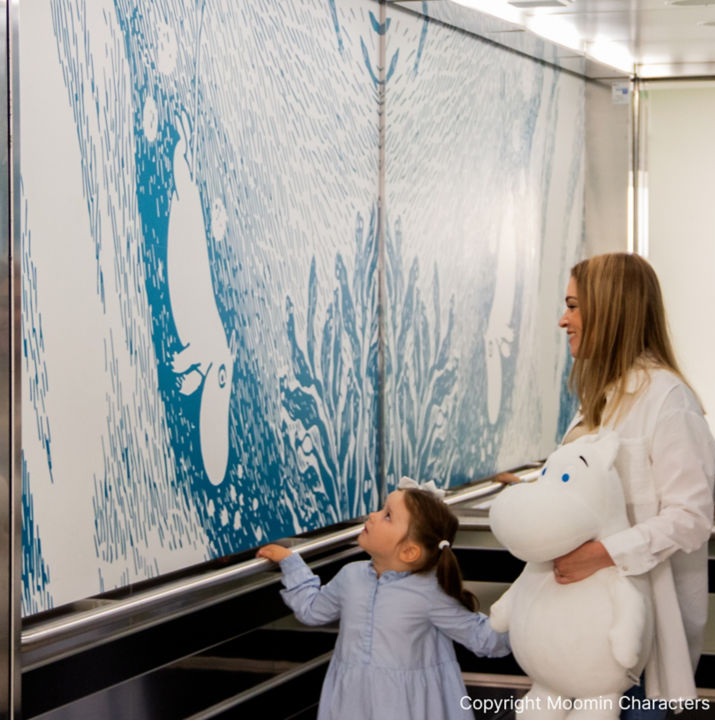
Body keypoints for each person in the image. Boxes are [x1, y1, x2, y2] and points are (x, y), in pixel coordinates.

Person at [502, 252, 715, 718]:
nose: (563, 320)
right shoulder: (599, 399)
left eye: (573, 306)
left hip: (636, 652)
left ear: (610, 309)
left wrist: (603, 554)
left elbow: (693, 518)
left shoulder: (668, 400)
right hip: (575, 646)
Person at [257, 477, 511, 720]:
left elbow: (483, 638)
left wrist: (526, 606)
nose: (373, 515)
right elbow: (312, 610)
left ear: (409, 551)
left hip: (408, 707)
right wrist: (291, 563)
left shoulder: (429, 593)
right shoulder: (350, 577)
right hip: (352, 704)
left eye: (387, 515)